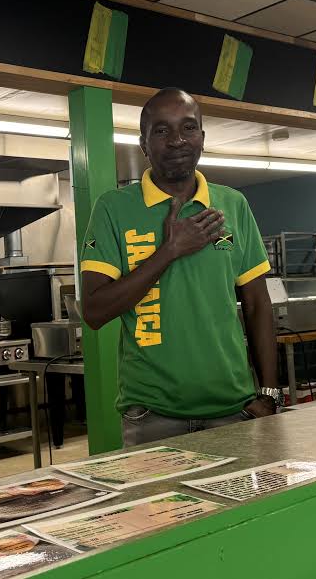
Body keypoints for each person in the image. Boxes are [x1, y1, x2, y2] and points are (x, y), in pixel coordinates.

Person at [81, 87, 280, 447]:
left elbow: (257, 304)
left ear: (202, 138)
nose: (177, 140)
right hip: (152, 415)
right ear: (143, 143)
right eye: (161, 130)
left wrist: (269, 393)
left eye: (188, 128)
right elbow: (94, 311)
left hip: (234, 410)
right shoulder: (113, 208)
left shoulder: (232, 205)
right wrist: (169, 250)